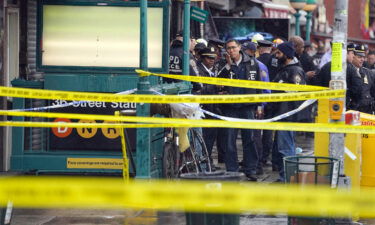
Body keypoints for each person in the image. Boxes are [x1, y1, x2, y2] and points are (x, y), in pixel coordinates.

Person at [217, 39, 262, 181]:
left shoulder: (252, 62)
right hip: (230, 107)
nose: (231, 51)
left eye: (233, 48)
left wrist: (259, 104)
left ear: (239, 47)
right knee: (229, 141)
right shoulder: (223, 64)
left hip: (248, 106)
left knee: (250, 139)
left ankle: (251, 169)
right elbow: (217, 81)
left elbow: (258, 85)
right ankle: (232, 170)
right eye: (228, 48)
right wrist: (228, 66)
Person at [271, 42, 307, 182]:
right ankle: (284, 177)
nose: (276, 55)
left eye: (279, 53)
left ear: (286, 54)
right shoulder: (284, 69)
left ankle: (288, 179)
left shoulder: (294, 71)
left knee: (286, 149)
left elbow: (298, 96)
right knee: (282, 148)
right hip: (281, 114)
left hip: (287, 116)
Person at [242, 41, 271, 175]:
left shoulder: (259, 66)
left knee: (255, 137)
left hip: (256, 107)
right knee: (249, 137)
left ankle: (257, 165)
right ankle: (250, 163)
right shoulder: (245, 64)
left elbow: (265, 89)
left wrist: (261, 106)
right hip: (246, 106)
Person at [314, 43, 362, 112]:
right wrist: (351, 107)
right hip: (343, 108)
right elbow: (358, 90)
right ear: (345, 53)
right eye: (352, 53)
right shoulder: (351, 69)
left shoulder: (326, 66)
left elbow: (317, 85)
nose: (354, 56)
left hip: (325, 107)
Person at [193, 47, 221, 164]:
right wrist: (215, 86)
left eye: (213, 58)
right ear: (202, 58)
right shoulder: (198, 70)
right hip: (203, 110)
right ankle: (204, 163)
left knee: (210, 140)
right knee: (204, 139)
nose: (212, 60)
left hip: (213, 109)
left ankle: (207, 161)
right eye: (209, 58)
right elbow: (199, 90)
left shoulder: (213, 70)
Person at [351, 44, 375, 114]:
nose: (362, 59)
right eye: (359, 57)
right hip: (353, 111)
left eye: (363, 57)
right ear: (353, 57)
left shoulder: (368, 73)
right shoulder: (348, 71)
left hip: (367, 112)